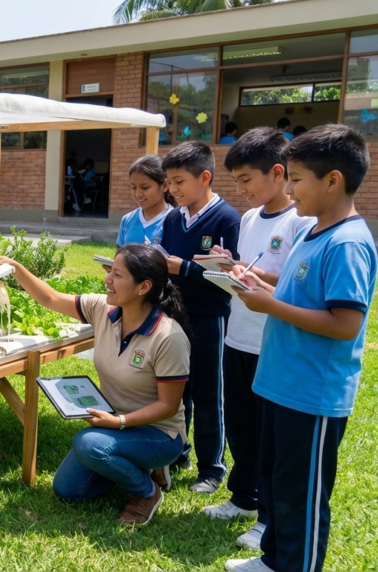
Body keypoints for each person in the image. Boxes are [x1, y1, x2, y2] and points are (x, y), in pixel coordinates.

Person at [224, 125, 377, 572]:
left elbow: (345, 324)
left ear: (333, 180)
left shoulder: (347, 242)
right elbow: (298, 291)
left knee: (302, 493)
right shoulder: (313, 233)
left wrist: (269, 304)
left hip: (312, 394)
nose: (289, 189)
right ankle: (274, 559)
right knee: (276, 483)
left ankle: (297, 565)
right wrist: (259, 281)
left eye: (296, 179)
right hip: (280, 383)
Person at [1, 245, 190, 526]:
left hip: (160, 433)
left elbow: (168, 406)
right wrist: (14, 267)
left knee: (88, 444)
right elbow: (50, 298)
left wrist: (120, 422)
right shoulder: (104, 309)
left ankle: (147, 492)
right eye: (110, 271)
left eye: (118, 274)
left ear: (144, 286)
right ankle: (140, 465)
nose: (107, 280)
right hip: (117, 424)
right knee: (69, 490)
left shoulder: (168, 337)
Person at [203, 127, 312, 550]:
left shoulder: (299, 221)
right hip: (239, 337)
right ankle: (243, 498)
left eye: (246, 179)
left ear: (278, 172)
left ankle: (268, 517)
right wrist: (232, 266)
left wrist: (251, 274)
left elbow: (297, 282)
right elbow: (254, 268)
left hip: (272, 343)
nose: (241, 190)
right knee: (243, 428)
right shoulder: (249, 218)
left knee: (271, 436)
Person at [160, 141, 241, 494]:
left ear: (204, 177)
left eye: (179, 182)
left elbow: (231, 280)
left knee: (209, 393)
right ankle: (179, 452)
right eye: (169, 182)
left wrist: (185, 268)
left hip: (210, 318)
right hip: (174, 316)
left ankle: (211, 468)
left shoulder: (227, 219)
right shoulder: (174, 217)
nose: (172, 190)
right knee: (177, 390)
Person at [116, 155, 175, 247]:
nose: (138, 194)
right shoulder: (127, 220)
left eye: (145, 187)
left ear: (164, 185)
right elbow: (119, 255)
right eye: (133, 187)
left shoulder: (175, 221)